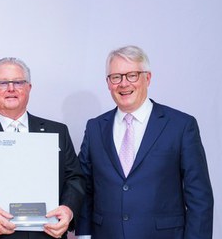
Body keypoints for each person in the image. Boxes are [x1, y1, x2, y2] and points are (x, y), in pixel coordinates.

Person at [76, 45, 214, 239]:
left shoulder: (180, 126)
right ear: (108, 83)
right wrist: (83, 235)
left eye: (132, 75)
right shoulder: (95, 128)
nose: (123, 84)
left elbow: (200, 197)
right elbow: (85, 188)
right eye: (116, 77)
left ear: (147, 78)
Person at [0, 57, 86, 239]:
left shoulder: (57, 131)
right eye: (3, 83)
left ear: (29, 87)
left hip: (48, 235)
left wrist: (68, 209)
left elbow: (75, 178)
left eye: (18, 82)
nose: (11, 88)